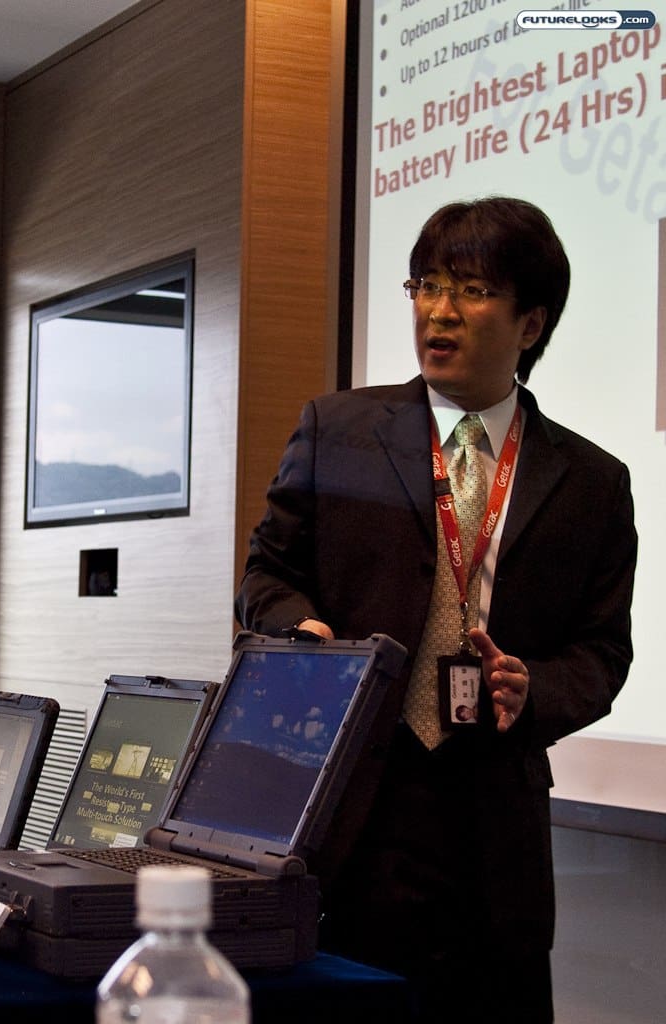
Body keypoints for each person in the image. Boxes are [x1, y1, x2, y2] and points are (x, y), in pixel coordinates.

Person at [234, 196, 637, 1023]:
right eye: (424, 284)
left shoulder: (592, 481)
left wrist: (535, 689)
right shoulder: (339, 429)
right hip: (344, 808)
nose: (439, 310)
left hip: (491, 828)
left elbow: (601, 649)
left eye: (472, 290)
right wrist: (298, 632)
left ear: (530, 323)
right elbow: (267, 572)